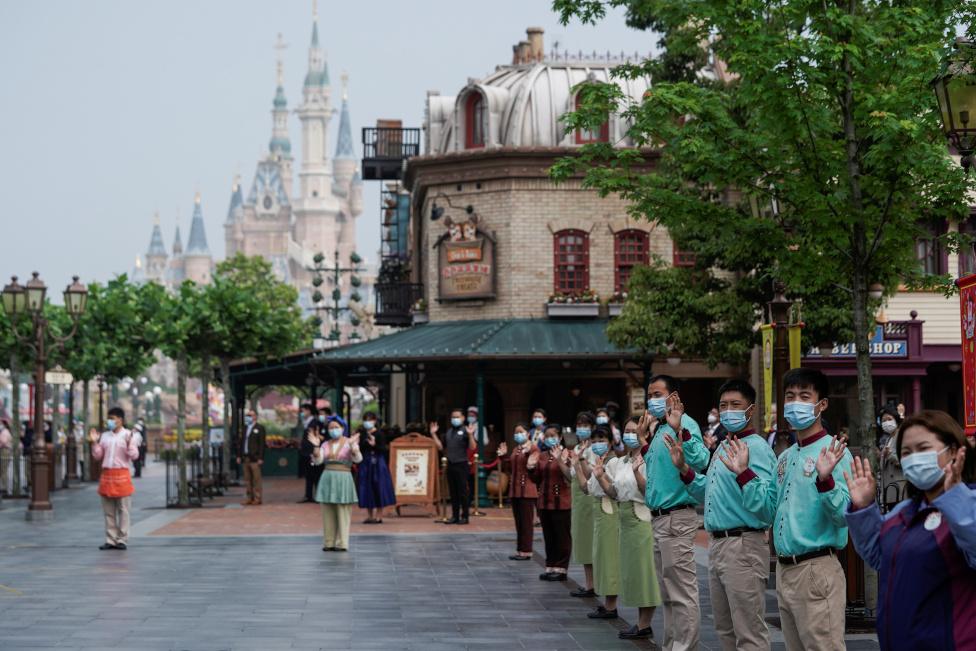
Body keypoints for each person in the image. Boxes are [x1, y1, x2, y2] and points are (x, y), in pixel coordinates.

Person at [732, 367, 852, 651]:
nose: (795, 402)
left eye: (804, 396)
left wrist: (826, 480)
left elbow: (844, 515)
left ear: (821, 404)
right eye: (790, 396)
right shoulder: (786, 455)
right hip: (785, 571)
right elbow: (767, 510)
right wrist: (744, 474)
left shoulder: (835, 452)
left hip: (816, 567)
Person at [845, 410, 976, 651]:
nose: (914, 458)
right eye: (906, 452)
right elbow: (879, 556)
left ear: (955, 451)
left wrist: (955, 496)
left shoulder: (970, 503)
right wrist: (863, 508)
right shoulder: (905, 511)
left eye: (923, 448)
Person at [678, 379, 777, 651]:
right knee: (725, 629)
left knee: (749, 631)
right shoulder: (724, 445)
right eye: (723, 405)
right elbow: (710, 491)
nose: (728, 410)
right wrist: (685, 471)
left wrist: (744, 473)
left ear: (750, 410)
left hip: (743, 544)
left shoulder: (756, 448)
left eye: (736, 405)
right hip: (719, 545)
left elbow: (767, 506)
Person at [642, 374, 709, 651]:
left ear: (673, 397)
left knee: (681, 591)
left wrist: (681, 428)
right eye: (650, 394)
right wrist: (643, 441)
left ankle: (685, 646)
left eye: (658, 393)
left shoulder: (683, 423)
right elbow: (657, 468)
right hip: (660, 518)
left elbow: (701, 459)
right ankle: (672, 644)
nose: (652, 400)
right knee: (669, 592)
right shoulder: (659, 429)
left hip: (675, 517)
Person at [595, 415, 661, 640]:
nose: (629, 434)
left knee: (643, 571)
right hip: (623, 516)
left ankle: (645, 624)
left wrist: (636, 473)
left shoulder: (649, 459)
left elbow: (649, 493)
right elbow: (613, 493)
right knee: (631, 572)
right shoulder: (619, 462)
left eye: (634, 430)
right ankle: (640, 622)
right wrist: (601, 477)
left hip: (640, 515)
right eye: (626, 430)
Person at [574, 426, 621, 621]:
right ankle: (606, 603)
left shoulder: (615, 462)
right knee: (601, 557)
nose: (597, 444)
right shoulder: (600, 462)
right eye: (594, 441)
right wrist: (578, 465)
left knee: (609, 558)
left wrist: (600, 474)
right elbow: (587, 488)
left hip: (610, 509)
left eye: (601, 439)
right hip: (599, 510)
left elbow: (614, 487)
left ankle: (611, 606)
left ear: (610, 442)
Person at [308, 415, 362, 552]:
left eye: (336, 427)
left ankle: (342, 543)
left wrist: (354, 448)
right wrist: (316, 446)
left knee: (343, 511)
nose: (333, 430)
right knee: (327, 511)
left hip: (344, 477)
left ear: (343, 428)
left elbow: (358, 459)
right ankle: (329, 542)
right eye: (331, 427)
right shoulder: (325, 444)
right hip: (328, 477)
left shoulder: (350, 442)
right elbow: (318, 460)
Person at [89, 407, 139, 550]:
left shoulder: (129, 435)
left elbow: (134, 456)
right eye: (109, 418)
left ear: (120, 420)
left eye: (112, 418)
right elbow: (98, 456)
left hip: (122, 474)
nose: (109, 421)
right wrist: (95, 443)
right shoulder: (104, 436)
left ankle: (122, 539)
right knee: (108, 510)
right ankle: (110, 539)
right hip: (107, 475)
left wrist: (129, 443)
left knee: (123, 509)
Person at [528, 424, 572, 581]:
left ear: (560, 437)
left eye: (553, 435)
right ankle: (550, 566)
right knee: (549, 536)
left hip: (562, 502)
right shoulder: (542, 455)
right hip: (545, 502)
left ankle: (561, 569)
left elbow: (569, 477)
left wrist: (562, 460)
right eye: (546, 436)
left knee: (562, 536)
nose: (549, 438)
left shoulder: (567, 453)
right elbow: (536, 479)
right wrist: (530, 467)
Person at [497, 422, 537, 560]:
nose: (518, 435)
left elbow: (532, 467)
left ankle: (527, 550)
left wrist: (527, 456)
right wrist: (503, 457)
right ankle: (520, 550)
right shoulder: (516, 449)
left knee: (526, 522)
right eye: (516, 432)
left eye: (521, 432)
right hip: (515, 490)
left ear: (528, 434)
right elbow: (511, 467)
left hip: (527, 490)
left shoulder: (533, 448)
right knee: (519, 521)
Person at [430, 408, 477, 524]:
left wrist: (471, 435)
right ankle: (455, 516)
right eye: (453, 417)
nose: (455, 419)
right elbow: (441, 447)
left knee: (462, 492)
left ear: (462, 418)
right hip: (450, 464)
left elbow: (472, 447)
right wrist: (433, 434)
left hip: (461, 464)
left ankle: (465, 516)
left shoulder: (466, 431)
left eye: (457, 417)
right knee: (453, 492)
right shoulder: (448, 432)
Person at [568, 411, 597, 598]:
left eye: (586, 425)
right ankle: (589, 583)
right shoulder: (577, 447)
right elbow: (570, 474)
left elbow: (590, 475)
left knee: (591, 542)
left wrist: (580, 461)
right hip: (577, 499)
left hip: (589, 499)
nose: (582, 428)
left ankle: (594, 584)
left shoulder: (594, 449)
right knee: (582, 542)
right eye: (579, 425)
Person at [357, 411, 396, 523]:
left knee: (379, 487)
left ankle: (379, 515)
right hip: (365, 463)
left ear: (374, 421)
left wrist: (375, 445)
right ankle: (370, 515)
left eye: (369, 420)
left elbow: (384, 449)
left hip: (378, 463)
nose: (367, 422)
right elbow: (359, 448)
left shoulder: (379, 434)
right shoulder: (362, 434)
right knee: (367, 487)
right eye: (365, 420)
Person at [877, 405, 905, 511]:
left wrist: (890, 456)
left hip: (901, 490)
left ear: (896, 419)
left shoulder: (902, 435)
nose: (887, 423)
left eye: (889, 419)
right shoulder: (889, 438)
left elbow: (905, 461)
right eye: (884, 420)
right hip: (890, 490)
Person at [237, 409, 266, 505]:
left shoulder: (259, 428)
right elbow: (241, 442)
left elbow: (262, 444)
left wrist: (261, 457)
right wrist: (239, 455)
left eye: (251, 415)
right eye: (248, 415)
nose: (249, 417)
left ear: (255, 416)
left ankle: (258, 498)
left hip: (255, 457)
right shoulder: (245, 428)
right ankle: (249, 497)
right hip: (245, 457)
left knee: (256, 479)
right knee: (247, 479)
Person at [297, 403, 321, 503]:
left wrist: (313, 451)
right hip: (305, 452)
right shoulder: (306, 422)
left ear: (309, 411)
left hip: (312, 452)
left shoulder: (314, 422)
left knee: (315, 474)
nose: (302, 413)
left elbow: (316, 437)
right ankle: (308, 495)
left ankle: (318, 495)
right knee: (308, 475)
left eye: (304, 411)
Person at [0, 419, 11, 495]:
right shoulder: (5, 431)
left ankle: (4, 488)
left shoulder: (4, 432)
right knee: (2, 470)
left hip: (5, 450)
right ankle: (3, 487)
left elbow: (4, 441)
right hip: (4, 450)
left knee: (3, 469)